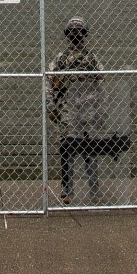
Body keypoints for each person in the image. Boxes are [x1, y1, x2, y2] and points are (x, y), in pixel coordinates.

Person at [47, 16, 107, 205]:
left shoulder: (92, 58)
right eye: (72, 30)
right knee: (67, 148)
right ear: (67, 34)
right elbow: (49, 82)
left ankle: (94, 188)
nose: (76, 33)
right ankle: (67, 188)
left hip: (89, 108)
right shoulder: (60, 58)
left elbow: (102, 83)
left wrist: (102, 109)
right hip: (68, 108)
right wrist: (50, 106)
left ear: (84, 33)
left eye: (79, 30)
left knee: (90, 149)